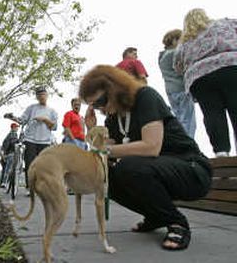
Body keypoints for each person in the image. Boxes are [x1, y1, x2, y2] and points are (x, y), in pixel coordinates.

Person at [79, 65, 212, 251]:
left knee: (129, 166)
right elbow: (102, 150)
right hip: (156, 171)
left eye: (101, 101)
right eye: (94, 105)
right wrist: (92, 130)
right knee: (102, 174)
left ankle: (177, 223)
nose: (100, 108)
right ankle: (157, 215)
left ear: (115, 88)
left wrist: (106, 152)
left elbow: (151, 147)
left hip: (190, 170)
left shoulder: (145, 97)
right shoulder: (113, 117)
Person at [174, 8, 237, 157]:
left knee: (212, 114)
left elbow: (177, 65)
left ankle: (221, 152)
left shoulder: (185, 40)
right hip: (231, 67)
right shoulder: (224, 24)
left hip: (200, 77)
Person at [7, 87, 58, 194]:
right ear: (37, 97)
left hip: (45, 141)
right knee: (30, 164)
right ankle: (29, 188)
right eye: (39, 95)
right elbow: (22, 121)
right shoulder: (31, 108)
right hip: (30, 139)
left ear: (47, 96)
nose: (41, 97)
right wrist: (12, 117)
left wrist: (44, 119)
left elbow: (54, 127)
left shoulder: (52, 111)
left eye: (43, 94)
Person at [158, 29, 196, 138]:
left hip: (171, 91)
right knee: (188, 120)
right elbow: (184, 70)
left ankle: (180, 142)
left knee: (179, 118)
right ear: (174, 40)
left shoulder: (162, 56)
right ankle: (188, 144)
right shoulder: (175, 53)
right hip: (182, 89)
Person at [0, 123, 20, 187]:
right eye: (16, 127)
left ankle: (5, 182)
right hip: (11, 153)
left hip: (8, 153)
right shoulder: (13, 134)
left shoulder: (9, 135)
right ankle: (5, 183)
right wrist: (19, 141)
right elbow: (13, 143)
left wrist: (4, 153)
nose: (17, 128)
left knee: (7, 168)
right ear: (13, 128)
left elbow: (4, 144)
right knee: (9, 169)